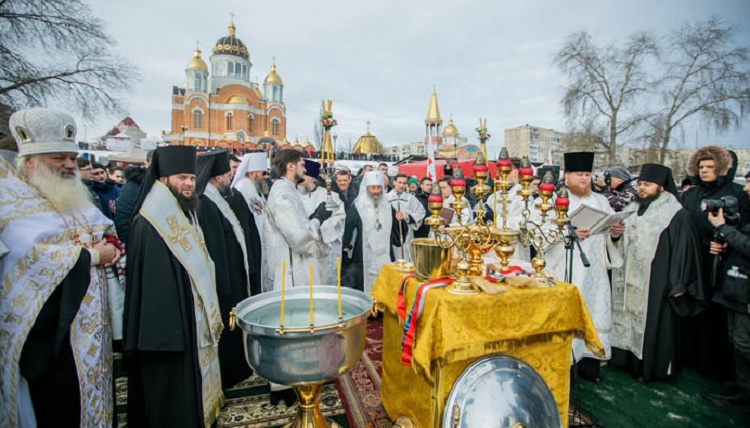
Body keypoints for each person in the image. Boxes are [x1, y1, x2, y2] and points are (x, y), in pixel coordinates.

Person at [0, 108, 121, 427]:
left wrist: (109, 246)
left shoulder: (70, 196)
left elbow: (102, 229)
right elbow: (28, 258)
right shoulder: (11, 203)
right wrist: (92, 257)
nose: (70, 165)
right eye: (59, 158)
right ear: (31, 161)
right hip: (49, 335)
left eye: (72, 157)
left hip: (89, 330)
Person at [124, 145, 224, 427]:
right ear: (162, 179)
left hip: (191, 319)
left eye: (191, 178)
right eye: (182, 178)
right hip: (170, 332)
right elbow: (156, 288)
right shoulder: (150, 222)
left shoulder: (184, 211)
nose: (189, 184)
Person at [609, 163, 708, 382]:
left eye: (648, 185)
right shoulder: (634, 209)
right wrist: (615, 235)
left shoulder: (675, 214)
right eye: (640, 184)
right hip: (630, 277)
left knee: (654, 324)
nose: (641, 188)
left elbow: (685, 250)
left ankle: (651, 369)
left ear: (661, 188)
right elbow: (624, 240)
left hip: (658, 282)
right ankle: (627, 360)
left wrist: (679, 283)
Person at [545, 152, 624, 383]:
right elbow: (541, 233)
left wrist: (615, 233)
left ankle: (589, 366)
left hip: (594, 270)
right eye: (579, 175)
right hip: (567, 266)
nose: (584, 180)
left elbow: (609, 227)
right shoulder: (552, 200)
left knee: (594, 310)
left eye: (588, 175)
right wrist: (566, 234)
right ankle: (566, 367)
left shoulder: (600, 200)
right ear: (567, 175)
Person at [680, 145, 750, 379]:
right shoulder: (690, 194)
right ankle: (691, 357)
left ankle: (717, 367)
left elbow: (743, 229)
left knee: (717, 317)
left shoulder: (736, 194)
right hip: (694, 257)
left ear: (721, 168)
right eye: (701, 167)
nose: (705, 171)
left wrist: (725, 242)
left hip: (722, 264)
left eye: (710, 167)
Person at [194, 149, 254, 390]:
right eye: (229, 173)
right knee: (227, 327)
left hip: (232, 275)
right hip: (224, 280)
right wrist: (225, 284)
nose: (232, 177)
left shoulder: (216, 198)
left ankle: (238, 366)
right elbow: (215, 247)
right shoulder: (206, 202)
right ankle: (231, 372)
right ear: (217, 176)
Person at [262, 149, 334, 292]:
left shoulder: (288, 189)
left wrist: (313, 217)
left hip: (293, 267)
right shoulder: (283, 193)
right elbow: (300, 238)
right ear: (290, 166)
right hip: (291, 272)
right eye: (302, 165)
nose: (305, 169)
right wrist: (318, 218)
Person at [704, 205, 750, 413]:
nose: (747, 188)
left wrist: (723, 227)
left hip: (745, 293)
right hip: (737, 290)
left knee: (744, 344)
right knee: (738, 341)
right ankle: (744, 392)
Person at [342, 171, 400, 292]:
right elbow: (348, 226)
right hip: (364, 252)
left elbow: (397, 230)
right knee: (366, 285)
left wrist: (400, 220)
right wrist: (346, 244)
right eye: (372, 187)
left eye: (378, 187)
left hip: (385, 252)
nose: (376, 191)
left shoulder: (387, 205)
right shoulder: (359, 205)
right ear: (366, 187)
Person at [297, 160, 346, 284]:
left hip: (323, 247)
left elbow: (339, 217)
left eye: (304, 177)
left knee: (324, 279)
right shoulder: (294, 195)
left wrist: (322, 228)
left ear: (313, 178)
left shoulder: (331, 196)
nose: (300, 181)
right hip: (303, 247)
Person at [114, 151, 153, 244]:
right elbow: (123, 217)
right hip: (139, 242)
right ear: (147, 163)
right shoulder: (133, 185)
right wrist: (131, 242)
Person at [387, 173, 426, 262]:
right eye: (399, 182)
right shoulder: (386, 198)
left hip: (407, 233)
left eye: (404, 183)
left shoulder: (411, 199)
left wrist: (407, 217)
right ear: (394, 182)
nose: (401, 185)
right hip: (392, 233)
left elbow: (421, 212)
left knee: (407, 258)